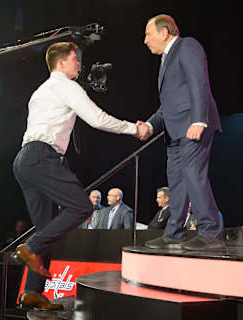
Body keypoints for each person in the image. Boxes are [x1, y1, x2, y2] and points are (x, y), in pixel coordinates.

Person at [12, 41, 144, 310]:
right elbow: (97, 119)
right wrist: (133, 128)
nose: (79, 64)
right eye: (75, 59)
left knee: (46, 228)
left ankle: (31, 293)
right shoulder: (66, 87)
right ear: (62, 62)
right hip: (42, 157)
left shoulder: (41, 90)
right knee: (82, 206)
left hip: (24, 160)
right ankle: (29, 247)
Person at [137, 14, 223, 250]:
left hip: (193, 126)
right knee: (176, 183)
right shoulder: (166, 59)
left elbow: (199, 82)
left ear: (164, 33)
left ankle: (211, 232)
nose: (145, 40)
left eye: (148, 34)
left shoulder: (187, 46)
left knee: (194, 176)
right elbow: (169, 105)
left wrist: (199, 121)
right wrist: (150, 125)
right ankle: (174, 233)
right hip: (175, 132)